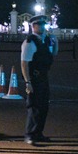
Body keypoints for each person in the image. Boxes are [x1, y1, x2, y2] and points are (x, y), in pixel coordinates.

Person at [21, 15, 58, 146]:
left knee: (44, 106)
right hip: (34, 78)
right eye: (39, 25)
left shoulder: (46, 40)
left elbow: (53, 54)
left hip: (43, 76)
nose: (42, 27)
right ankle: (29, 134)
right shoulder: (30, 42)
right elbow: (24, 63)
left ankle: (38, 133)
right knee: (34, 107)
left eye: (43, 25)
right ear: (33, 27)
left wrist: (55, 42)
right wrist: (27, 82)